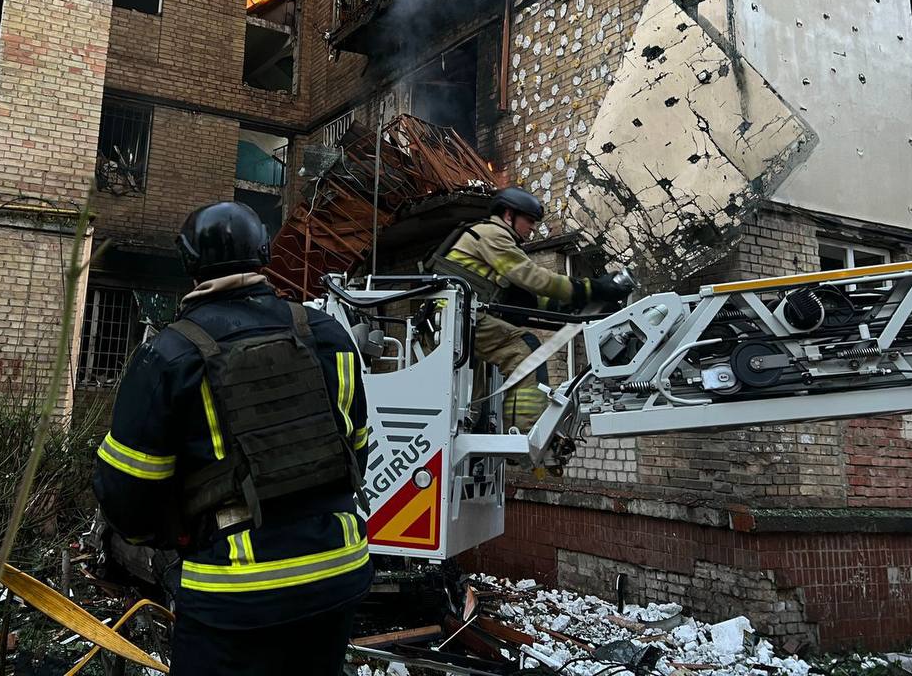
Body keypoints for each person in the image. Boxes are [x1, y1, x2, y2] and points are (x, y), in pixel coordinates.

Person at [92, 201, 371, 676]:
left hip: (235, 591)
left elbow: (127, 492)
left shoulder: (167, 355)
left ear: (188, 261)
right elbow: (356, 451)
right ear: (263, 253)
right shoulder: (327, 335)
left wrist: (171, 537)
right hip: (338, 572)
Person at [430, 186, 629, 431]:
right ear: (508, 215)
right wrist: (593, 289)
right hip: (457, 317)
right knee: (525, 350)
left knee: (471, 397)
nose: (533, 228)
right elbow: (535, 278)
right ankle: (523, 432)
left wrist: (575, 305)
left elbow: (528, 298)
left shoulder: (489, 240)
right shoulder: (493, 234)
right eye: (530, 220)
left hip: (457, 318)